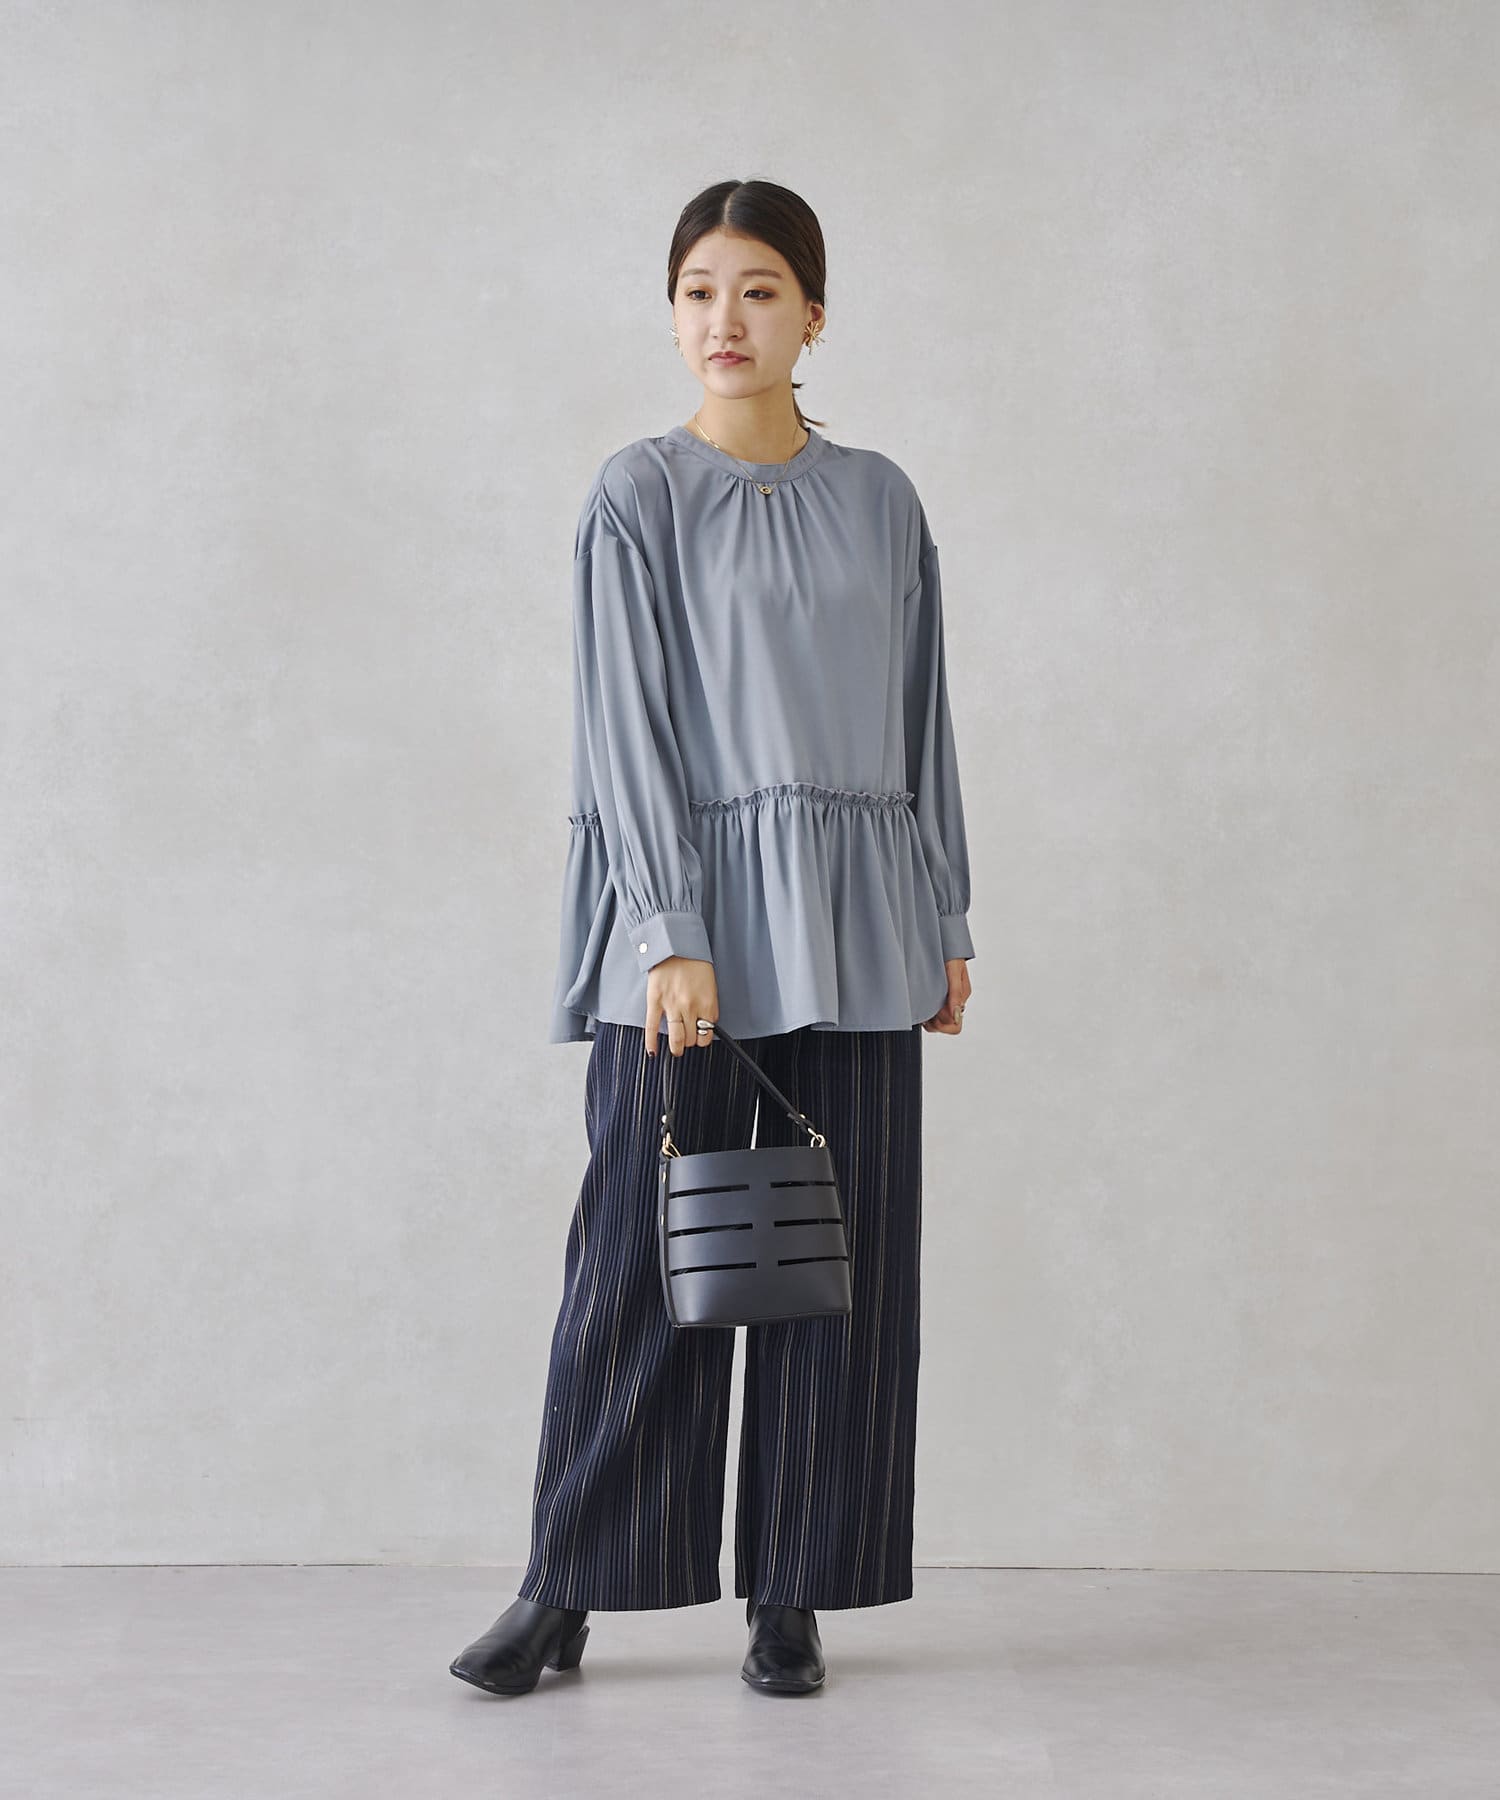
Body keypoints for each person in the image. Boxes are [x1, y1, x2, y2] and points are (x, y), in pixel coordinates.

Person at [450, 177, 975, 1699]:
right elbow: (623, 730)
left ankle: (794, 1593)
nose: (723, 320)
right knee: (637, 1260)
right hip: (686, 937)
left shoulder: (883, 499)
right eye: (697, 291)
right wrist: (668, 930)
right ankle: (567, 1584)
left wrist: (944, 911)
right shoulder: (638, 494)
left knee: (835, 1269)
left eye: (757, 290)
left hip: (860, 927)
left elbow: (922, 717)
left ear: (815, 314)